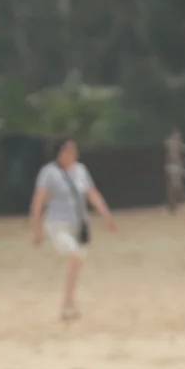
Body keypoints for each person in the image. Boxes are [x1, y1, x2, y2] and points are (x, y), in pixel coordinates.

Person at [29, 137, 117, 321]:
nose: (74, 154)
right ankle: (68, 302)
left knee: (75, 264)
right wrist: (36, 230)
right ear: (60, 153)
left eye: (75, 150)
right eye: (69, 150)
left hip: (79, 225)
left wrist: (106, 215)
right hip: (57, 223)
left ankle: (68, 302)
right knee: (75, 257)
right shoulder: (49, 173)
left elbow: (92, 194)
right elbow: (38, 201)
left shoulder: (81, 171)